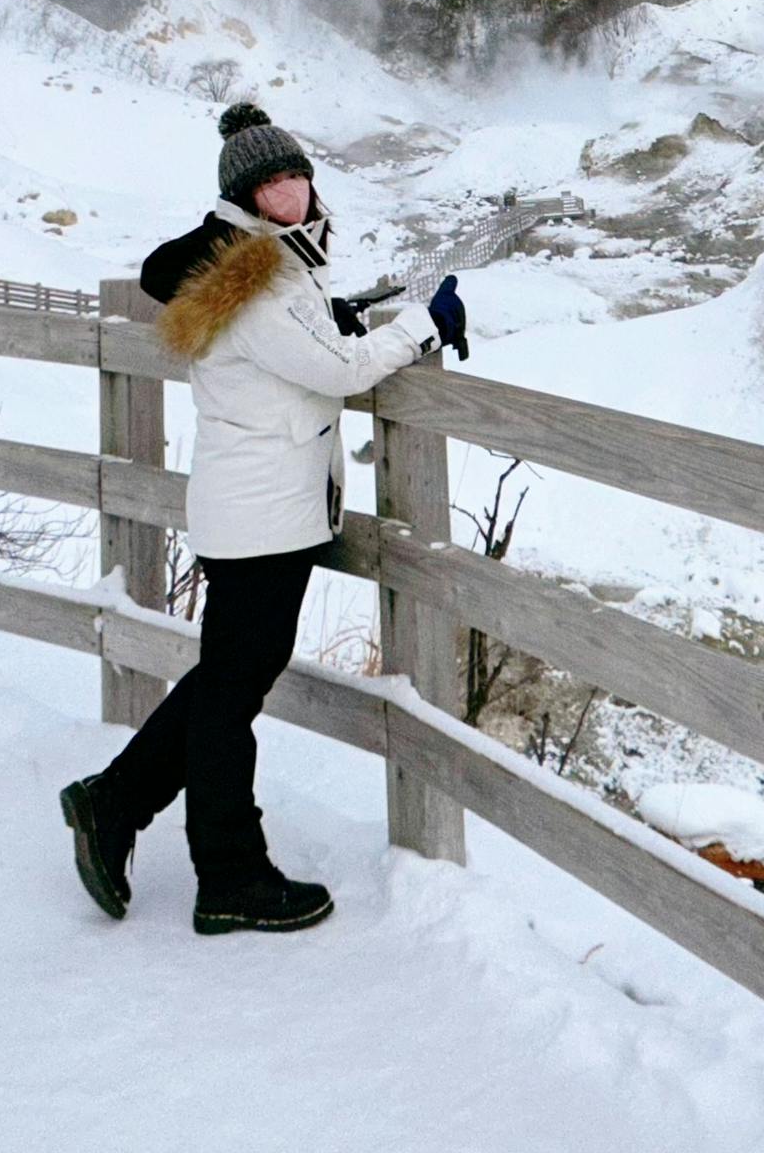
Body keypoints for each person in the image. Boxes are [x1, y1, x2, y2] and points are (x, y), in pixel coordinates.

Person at [60, 101, 470, 937]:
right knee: (229, 694)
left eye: (296, 172)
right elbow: (344, 372)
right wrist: (426, 324)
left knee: (228, 679)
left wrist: (337, 314)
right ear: (246, 197)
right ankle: (228, 873)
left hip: (259, 505)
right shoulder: (255, 282)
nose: (291, 187)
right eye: (272, 180)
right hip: (261, 513)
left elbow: (306, 348)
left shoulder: (267, 268)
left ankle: (114, 802)